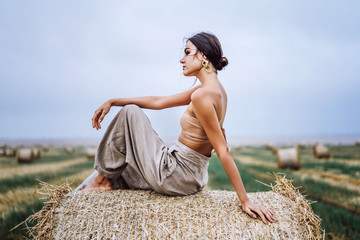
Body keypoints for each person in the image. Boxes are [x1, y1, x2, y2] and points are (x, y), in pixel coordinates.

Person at [76, 32, 275, 224]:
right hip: (190, 176)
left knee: (130, 113)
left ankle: (100, 183)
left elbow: (222, 151)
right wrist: (113, 101)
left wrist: (245, 200)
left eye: (188, 52)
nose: (182, 59)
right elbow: (159, 101)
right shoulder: (216, 91)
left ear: (204, 56)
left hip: (175, 173)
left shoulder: (202, 96)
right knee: (120, 169)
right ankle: (80, 197)